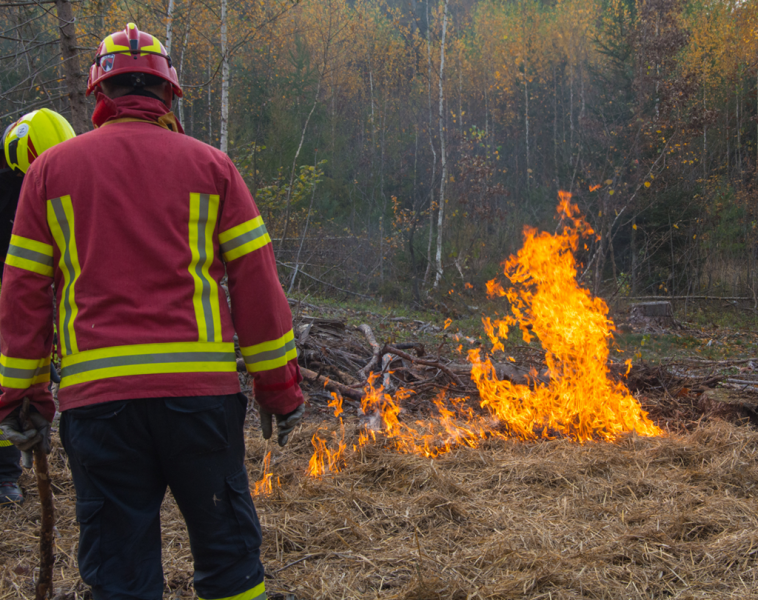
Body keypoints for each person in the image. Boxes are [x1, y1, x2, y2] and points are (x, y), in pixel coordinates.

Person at [0, 22, 304, 600]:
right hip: (200, 406)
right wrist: (279, 390)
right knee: (230, 561)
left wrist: (23, 399)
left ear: (98, 97)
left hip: (100, 408)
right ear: (169, 95)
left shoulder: (49, 173)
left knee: (119, 573)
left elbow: (23, 296)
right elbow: (258, 287)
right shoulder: (213, 168)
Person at [0, 109, 75, 504]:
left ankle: (4, 474)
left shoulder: (47, 179)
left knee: (10, 377)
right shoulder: (14, 182)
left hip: (20, 293)